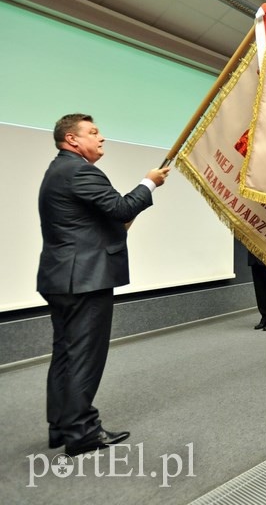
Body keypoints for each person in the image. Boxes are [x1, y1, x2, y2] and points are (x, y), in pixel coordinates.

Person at [37, 113, 170, 456]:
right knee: (84, 357)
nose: (102, 138)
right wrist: (149, 182)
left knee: (66, 354)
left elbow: (102, 220)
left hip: (62, 278)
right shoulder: (79, 170)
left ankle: (62, 427)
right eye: (93, 132)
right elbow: (121, 206)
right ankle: (82, 433)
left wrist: (125, 215)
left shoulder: (58, 171)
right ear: (72, 140)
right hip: (85, 280)